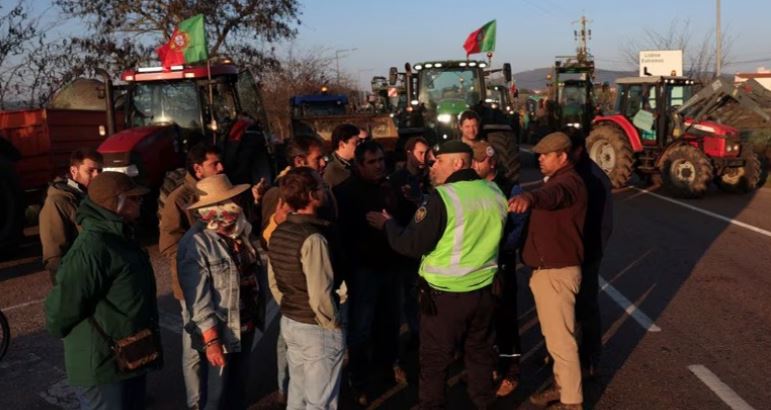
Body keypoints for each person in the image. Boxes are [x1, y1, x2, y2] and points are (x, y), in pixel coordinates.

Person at [367, 140, 508, 409]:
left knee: (434, 362)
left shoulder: (442, 198)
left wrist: (388, 226)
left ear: (458, 163)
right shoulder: (494, 191)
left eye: (438, 161)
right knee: (479, 355)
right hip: (485, 291)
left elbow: (411, 245)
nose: (433, 166)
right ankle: (484, 403)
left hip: (446, 298)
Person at [45, 172, 159, 410]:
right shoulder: (93, 247)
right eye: (133, 198)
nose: (140, 201)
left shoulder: (120, 237)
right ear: (113, 203)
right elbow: (59, 310)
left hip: (129, 356)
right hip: (102, 365)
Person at [508, 131, 588, 410]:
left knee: (562, 343)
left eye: (545, 154)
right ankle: (561, 387)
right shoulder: (558, 179)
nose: (539, 158)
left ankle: (571, 401)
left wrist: (530, 199)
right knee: (554, 339)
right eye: (538, 153)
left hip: (557, 273)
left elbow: (554, 196)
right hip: (547, 270)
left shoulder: (568, 183)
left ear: (562, 157)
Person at [260, 134, 336, 405]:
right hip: (313, 323)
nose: (324, 164)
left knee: (300, 393)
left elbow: (273, 280)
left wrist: (289, 304)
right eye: (319, 159)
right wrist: (332, 325)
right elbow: (320, 292)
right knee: (320, 400)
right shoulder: (312, 238)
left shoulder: (280, 231)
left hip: (294, 317)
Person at [178, 174, 262, 410]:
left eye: (233, 201)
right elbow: (199, 299)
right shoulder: (195, 243)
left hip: (245, 323)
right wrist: (212, 341)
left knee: (238, 390)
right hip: (220, 332)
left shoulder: (240, 229)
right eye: (227, 203)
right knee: (216, 397)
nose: (234, 208)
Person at [334, 141, 406, 404]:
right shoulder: (344, 193)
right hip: (363, 270)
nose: (378, 166)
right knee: (361, 328)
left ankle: (387, 366)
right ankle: (359, 379)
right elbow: (341, 234)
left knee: (389, 322)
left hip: (390, 266)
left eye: (381, 161)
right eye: (372, 162)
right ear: (359, 165)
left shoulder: (389, 188)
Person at [158, 143, 225, 410]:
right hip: (193, 287)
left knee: (221, 343)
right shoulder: (179, 198)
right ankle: (195, 401)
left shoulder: (221, 188)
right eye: (214, 164)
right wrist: (192, 268)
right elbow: (169, 244)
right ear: (198, 169)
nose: (221, 168)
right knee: (194, 348)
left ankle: (219, 397)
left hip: (222, 283)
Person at [471, 140, 525, 397]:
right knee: (483, 319)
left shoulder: (510, 188)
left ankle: (511, 369)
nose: (474, 165)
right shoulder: (472, 186)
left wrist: (496, 245)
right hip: (477, 265)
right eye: (473, 160)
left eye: (479, 160)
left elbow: (517, 227)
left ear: (492, 161)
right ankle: (488, 368)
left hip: (500, 263)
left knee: (505, 316)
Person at [563, 127, 614, 377]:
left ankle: (589, 359)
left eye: (564, 151)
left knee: (586, 306)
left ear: (578, 150)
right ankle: (563, 356)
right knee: (566, 308)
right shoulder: (571, 173)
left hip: (585, 253)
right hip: (570, 252)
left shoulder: (592, 179)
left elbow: (600, 223)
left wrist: (590, 253)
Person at [387, 136, 430, 345]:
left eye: (426, 153)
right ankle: (415, 332)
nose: (424, 158)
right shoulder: (396, 180)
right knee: (409, 292)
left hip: (426, 242)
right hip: (406, 240)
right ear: (409, 153)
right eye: (420, 153)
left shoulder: (430, 177)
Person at [39, 148, 102, 284]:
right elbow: (54, 255)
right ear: (74, 171)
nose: (96, 175)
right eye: (90, 171)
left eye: (99, 171)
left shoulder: (93, 196)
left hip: (96, 274)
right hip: (77, 279)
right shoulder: (57, 202)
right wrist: (67, 287)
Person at [323, 123, 362, 188]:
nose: (359, 146)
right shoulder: (330, 171)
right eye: (356, 143)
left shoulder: (357, 163)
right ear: (342, 144)